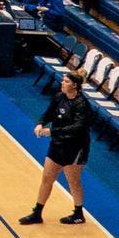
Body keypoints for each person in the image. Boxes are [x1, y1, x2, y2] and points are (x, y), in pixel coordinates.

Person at [22, 72, 92, 226]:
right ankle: (37, 213)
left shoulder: (82, 104)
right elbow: (48, 114)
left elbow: (78, 128)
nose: (62, 83)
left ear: (74, 85)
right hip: (57, 144)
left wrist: (52, 131)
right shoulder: (59, 97)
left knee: (73, 180)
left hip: (75, 147)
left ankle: (78, 214)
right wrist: (40, 123)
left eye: (66, 81)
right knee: (47, 178)